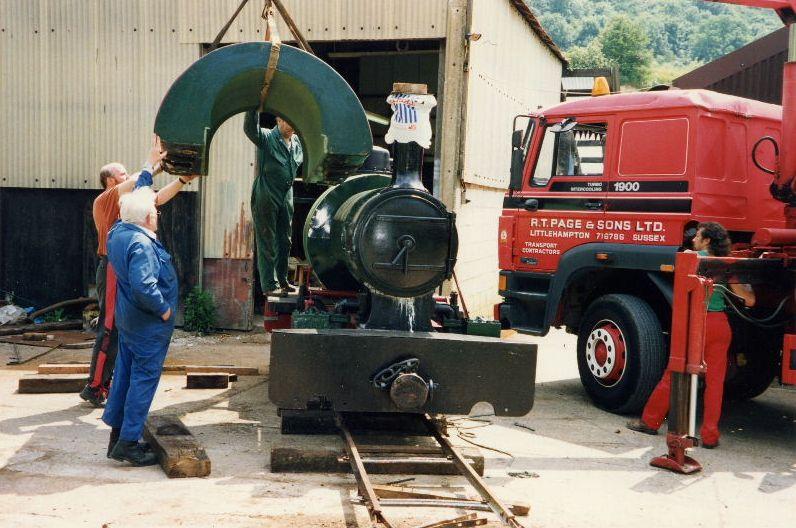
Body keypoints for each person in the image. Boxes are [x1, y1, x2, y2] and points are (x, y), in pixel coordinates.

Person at [79, 137, 195, 407]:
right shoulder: (106, 199)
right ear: (111, 181)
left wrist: (182, 179)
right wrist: (154, 162)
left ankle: (106, 384)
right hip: (112, 268)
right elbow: (139, 180)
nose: (127, 174)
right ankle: (94, 386)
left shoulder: (129, 201)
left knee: (122, 327)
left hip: (123, 268)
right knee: (109, 328)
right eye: (122, 173)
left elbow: (156, 197)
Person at [627, 222, 755, 448]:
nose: (693, 239)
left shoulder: (692, 257)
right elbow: (750, 300)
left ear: (707, 241)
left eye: (697, 236)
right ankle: (710, 436)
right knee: (716, 383)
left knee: (674, 373)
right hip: (721, 325)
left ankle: (650, 421)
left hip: (696, 323)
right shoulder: (726, 265)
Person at [103, 184, 179, 466]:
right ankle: (129, 443)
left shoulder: (119, 232)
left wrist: (150, 170)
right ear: (147, 217)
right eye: (154, 211)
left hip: (129, 321)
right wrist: (164, 311)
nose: (157, 214)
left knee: (123, 376)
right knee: (143, 380)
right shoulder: (142, 244)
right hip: (148, 325)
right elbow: (144, 286)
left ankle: (117, 435)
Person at [244, 111, 303, 296]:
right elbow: (250, 129)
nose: (289, 125)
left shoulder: (297, 143)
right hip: (267, 192)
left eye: (292, 120)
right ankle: (270, 285)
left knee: (285, 240)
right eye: (285, 120)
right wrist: (253, 108)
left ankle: (283, 280)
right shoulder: (267, 137)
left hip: (287, 193)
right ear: (278, 120)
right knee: (267, 240)